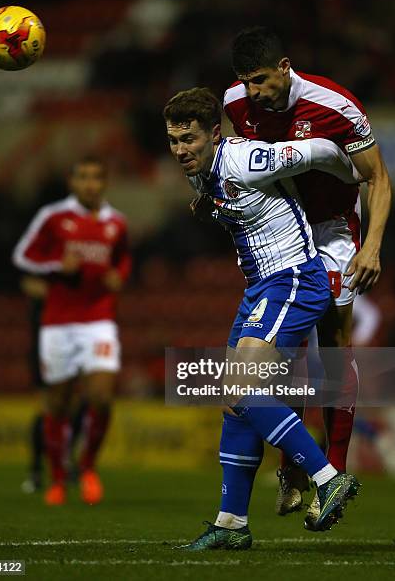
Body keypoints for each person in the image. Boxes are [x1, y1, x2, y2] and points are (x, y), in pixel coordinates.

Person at [163, 87, 361, 550]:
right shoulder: (201, 171)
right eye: (173, 141)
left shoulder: (249, 160)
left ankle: (328, 477)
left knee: (240, 387)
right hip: (260, 288)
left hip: (294, 280)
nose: (180, 150)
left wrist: (357, 176)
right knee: (233, 401)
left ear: (214, 133)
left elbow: (322, 150)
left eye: (188, 139)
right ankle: (231, 523)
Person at [224, 26, 391, 526]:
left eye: (260, 80)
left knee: (334, 343)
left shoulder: (336, 106)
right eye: (245, 83)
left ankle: (332, 471)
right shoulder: (234, 104)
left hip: (336, 231)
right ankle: (294, 468)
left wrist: (373, 247)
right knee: (278, 351)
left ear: (284, 67)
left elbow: (379, 179)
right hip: (280, 229)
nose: (253, 92)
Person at [12, 156, 131, 506]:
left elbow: (122, 258)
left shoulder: (117, 223)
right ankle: (58, 479)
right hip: (58, 323)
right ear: (72, 182)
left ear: (105, 182)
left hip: (98, 320)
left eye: (97, 178)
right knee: (58, 405)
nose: (90, 184)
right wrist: (54, 266)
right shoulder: (53, 217)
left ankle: (88, 466)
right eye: (83, 177)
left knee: (102, 397)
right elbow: (23, 256)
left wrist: (118, 276)